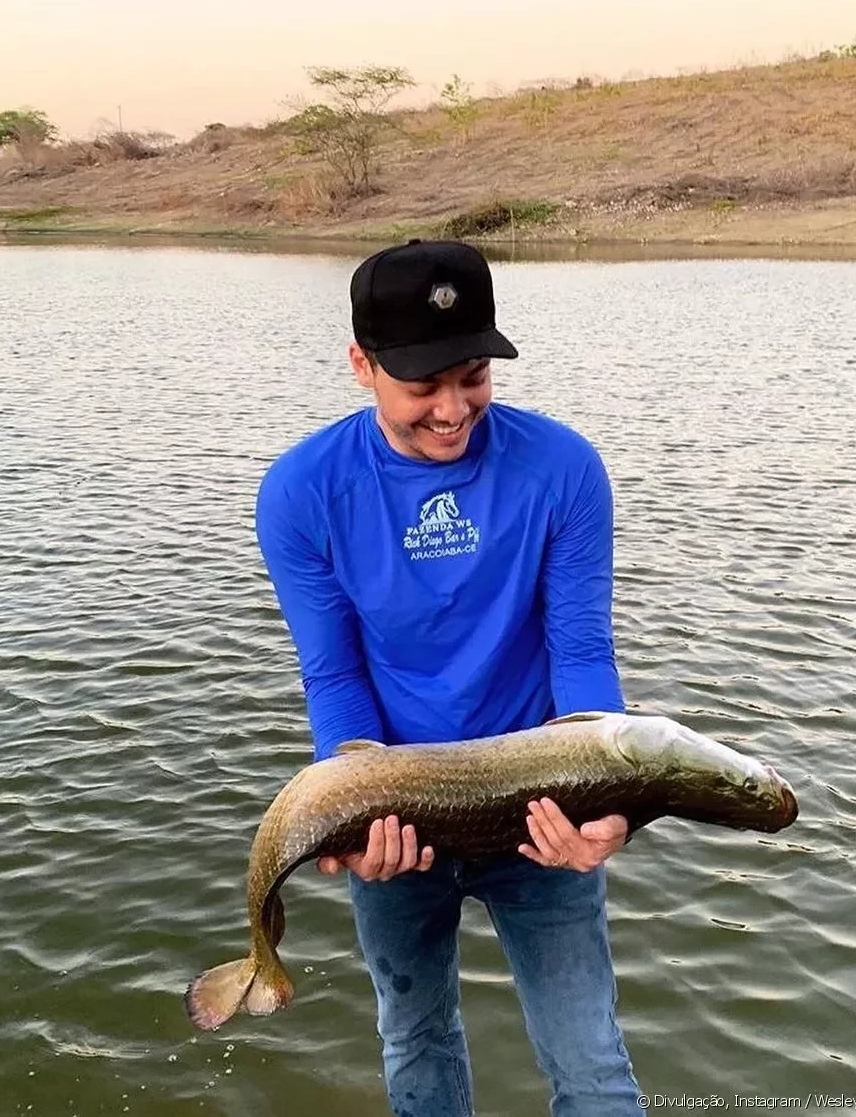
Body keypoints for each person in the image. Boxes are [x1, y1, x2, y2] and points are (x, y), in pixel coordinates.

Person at [255, 238, 643, 1116]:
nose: (452, 408)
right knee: (416, 1038)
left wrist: (605, 797)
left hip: (543, 806)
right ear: (361, 364)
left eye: (472, 375)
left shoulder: (564, 469)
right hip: (395, 812)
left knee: (590, 1057)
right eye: (421, 384)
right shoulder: (302, 492)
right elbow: (334, 674)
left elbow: (581, 653)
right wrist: (349, 816)